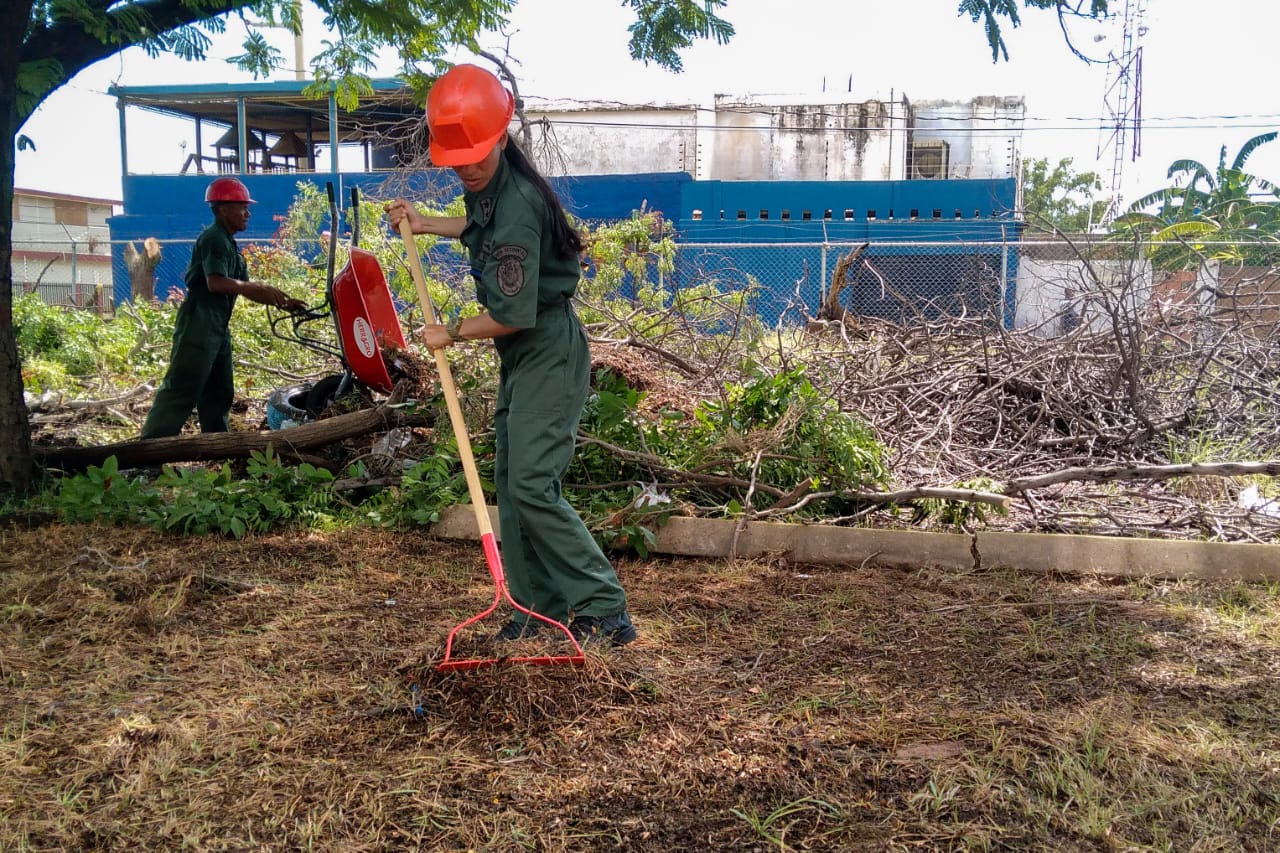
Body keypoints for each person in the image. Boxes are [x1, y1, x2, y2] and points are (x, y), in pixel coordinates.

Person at [385, 64, 637, 647]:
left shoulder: (520, 204)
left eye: (475, 154)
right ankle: (535, 609)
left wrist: (450, 330)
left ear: (501, 137)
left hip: (545, 347)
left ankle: (604, 609)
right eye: (457, 158)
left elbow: (513, 313)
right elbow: (479, 228)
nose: (467, 168)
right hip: (522, 356)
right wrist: (425, 225)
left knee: (530, 485)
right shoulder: (491, 189)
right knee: (510, 479)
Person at [141, 177, 304, 439]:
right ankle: (149, 449)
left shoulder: (228, 243)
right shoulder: (213, 239)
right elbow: (216, 283)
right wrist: (254, 288)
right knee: (182, 387)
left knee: (219, 391)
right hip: (199, 324)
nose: (248, 213)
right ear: (223, 209)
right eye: (242, 207)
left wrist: (283, 301)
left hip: (217, 327)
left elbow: (246, 286)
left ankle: (218, 446)